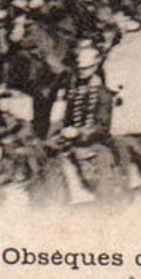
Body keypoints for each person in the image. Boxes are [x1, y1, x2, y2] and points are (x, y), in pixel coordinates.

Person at [49, 40, 120, 203]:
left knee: (90, 167)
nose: (81, 73)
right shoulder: (73, 92)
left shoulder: (103, 93)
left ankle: (104, 200)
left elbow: (102, 126)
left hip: (94, 141)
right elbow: (65, 118)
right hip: (71, 139)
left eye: (86, 69)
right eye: (79, 70)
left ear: (95, 67)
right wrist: (59, 132)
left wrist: (79, 132)